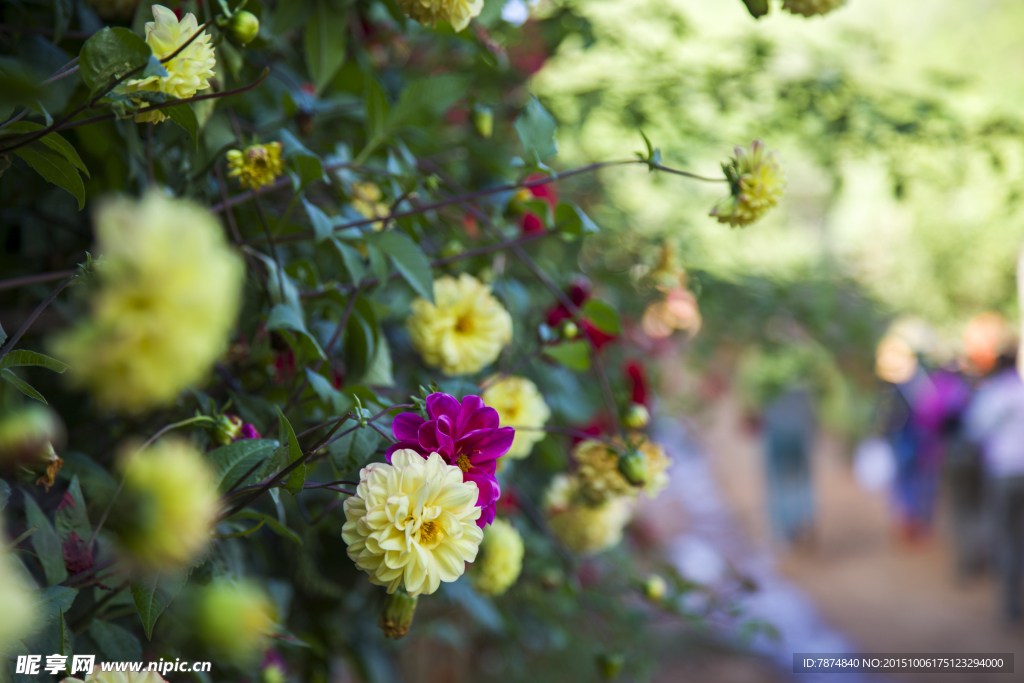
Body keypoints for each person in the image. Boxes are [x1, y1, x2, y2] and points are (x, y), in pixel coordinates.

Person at [964, 351, 1024, 621]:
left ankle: (1011, 603)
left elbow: (976, 429)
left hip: (1002, 472)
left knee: (1007, 537)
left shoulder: (994, 393)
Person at [763, 388, 816, 545]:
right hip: (798, 425)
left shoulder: (759, 369)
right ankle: (802, 521)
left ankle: (788, 528)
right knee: (800, 478)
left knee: (781, 480)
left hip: (778, 426)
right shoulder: (804, 373)